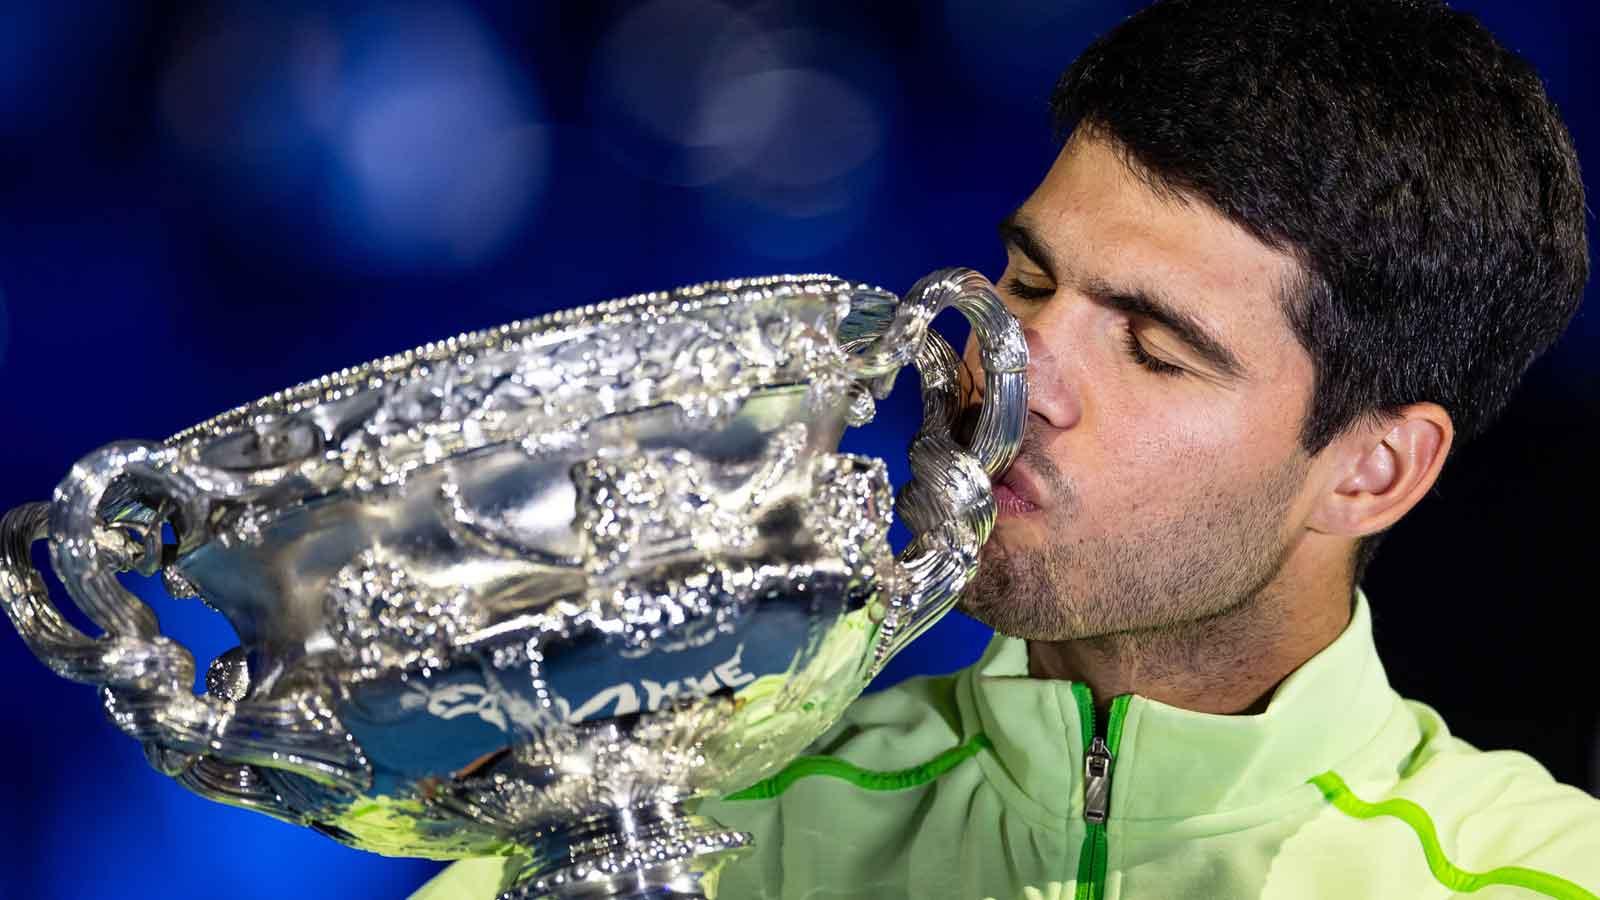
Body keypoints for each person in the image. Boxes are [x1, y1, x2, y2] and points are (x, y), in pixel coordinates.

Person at [415, 0, 1594, 897]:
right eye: (1027, 280)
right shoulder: (699, 824)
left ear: (1370, 470)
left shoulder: (1538, 875)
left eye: (1156, 348)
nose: (1012, 373)